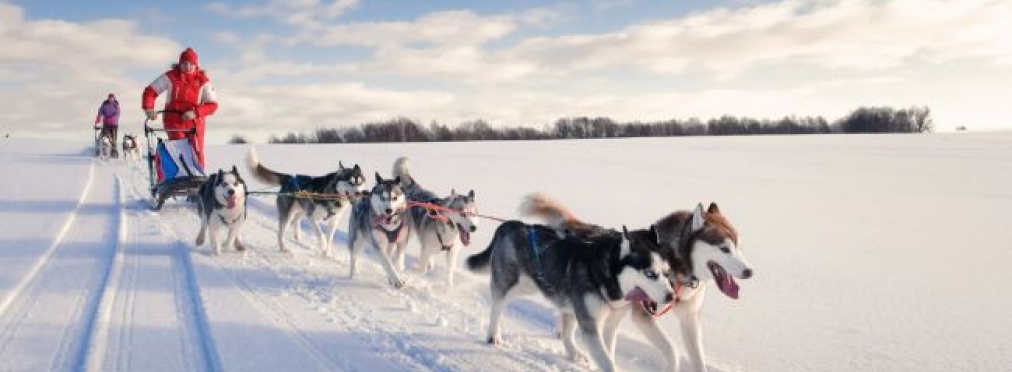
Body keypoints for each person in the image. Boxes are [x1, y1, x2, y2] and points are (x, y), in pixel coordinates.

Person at [141, 47, 218, 167]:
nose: (187, 66)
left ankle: (199, 180)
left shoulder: (203, 81)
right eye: (184, 63)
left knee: (196, 152)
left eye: (191, 64)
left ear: (196, 65)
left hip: (195, 122)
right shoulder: (171, 76)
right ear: (180, 63)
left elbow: (212, 105)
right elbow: (150, 91)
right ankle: (179, 179)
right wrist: (149, 108)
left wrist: (195, 112)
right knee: (179, 150)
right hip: (173, 121)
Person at [95, 93, 120, 157]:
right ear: (108, 98)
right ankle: (102, 148)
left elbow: (117, 113)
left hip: (114, 124)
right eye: (110, 98)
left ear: (114, 98)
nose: (111, 99)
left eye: (112, 98)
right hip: (106, 123)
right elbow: (100, 112)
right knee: (104, 135)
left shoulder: (116, 105)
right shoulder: (104, 105)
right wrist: (98, 119)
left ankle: (113, 149)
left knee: (114, 137)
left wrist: (111, 117)